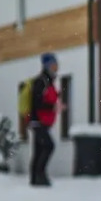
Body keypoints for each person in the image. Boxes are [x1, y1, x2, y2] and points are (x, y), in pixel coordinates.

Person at [27, 53, 63, 187]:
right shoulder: (41, 81)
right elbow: (37, 102)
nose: (56, 68)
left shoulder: (48, 81)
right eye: (54, 65)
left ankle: (35, 178)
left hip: (42, 122)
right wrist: (52, 106)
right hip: (38, 121)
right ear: (47, 66)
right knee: (48, 146)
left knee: (39, 149)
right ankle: (40, 175)